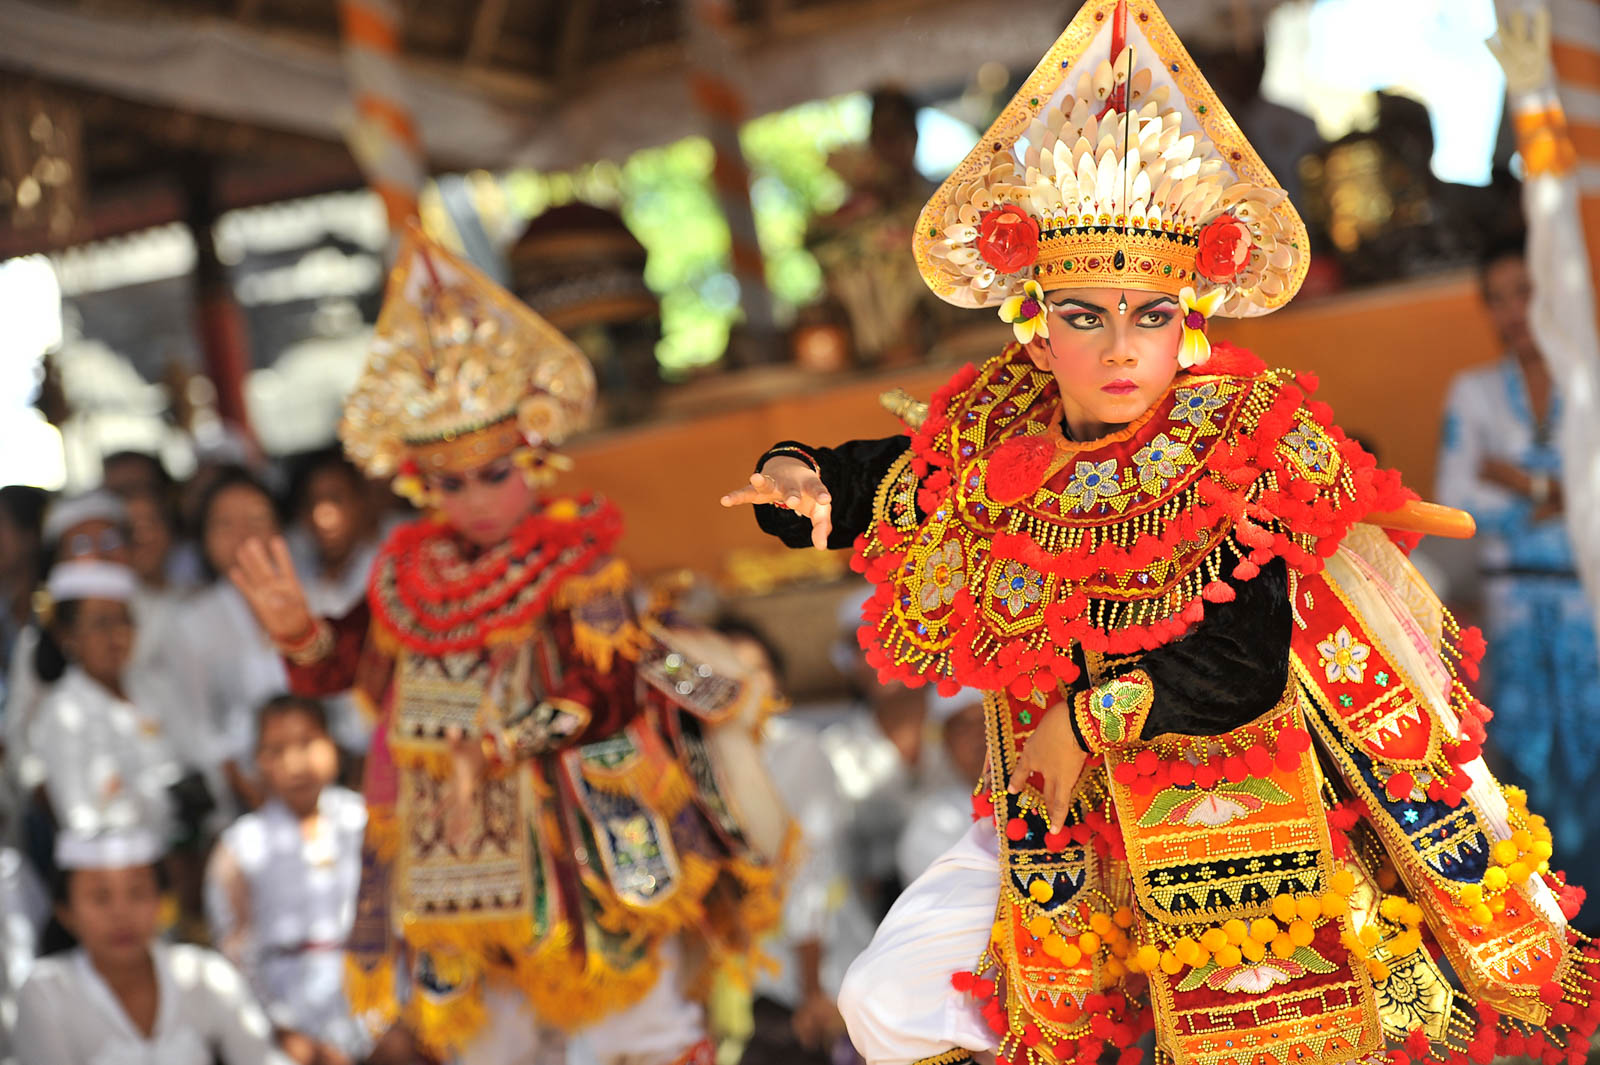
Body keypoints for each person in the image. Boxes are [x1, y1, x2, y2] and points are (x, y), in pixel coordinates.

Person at [722, 4, 1596, 1064]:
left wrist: (1083, 724)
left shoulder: (1238, 440)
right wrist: (801, 481)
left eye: (1150, 314)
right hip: (1065, 807)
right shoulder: (1000, 430)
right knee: (887, 998)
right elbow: (891, 476)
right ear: (1038, 331)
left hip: (1252, 778)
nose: (1120, 347)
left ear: (1189, 320)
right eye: (1086, 316)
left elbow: (1237, 660)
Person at [227, 225, 786, 1064]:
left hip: (583, 834)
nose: (477, 501)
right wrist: (296, 630)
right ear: (422, 484)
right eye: (450, 483)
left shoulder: (576, 566)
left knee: (630, 1031)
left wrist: (497, 746)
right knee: (492, 1044)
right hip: (454, 850)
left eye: (495, 474)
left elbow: (607, 693)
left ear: (536, 460)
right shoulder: (408, 573)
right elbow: (347, 663)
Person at [1436, 232, 1600, 917]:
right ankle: (1557, 922)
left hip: (1586, 597)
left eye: (1524, 293)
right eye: (1497, 299)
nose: (1512, 311)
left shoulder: (1589, 383)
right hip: (1510, 597)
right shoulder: (1472, 392)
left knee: (1595, 745)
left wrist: (1514, 479)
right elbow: (1458, 506)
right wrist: (1558, 492)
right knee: (1523, 757)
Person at [14, 828, 294, 1065]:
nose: (120, 913)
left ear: (162, 903)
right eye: (100, 897)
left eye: (137, 893)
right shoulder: (45, 992)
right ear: (65, 912)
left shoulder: (205, 974)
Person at [205, 695, 373, 1065]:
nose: (295, 763)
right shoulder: (240, 846)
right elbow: (233, 952)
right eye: (276, 750)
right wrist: (281, 1031)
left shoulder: (367, 822)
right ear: (258, 763)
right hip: (285, 1018)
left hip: (376, 1007)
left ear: (334, 745)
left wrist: (395, 1025)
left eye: (308, 743)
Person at [31, 561, 179, 849]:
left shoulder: (153, 689)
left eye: (124, 620)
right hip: (121, 873)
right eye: (101, 623)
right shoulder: (61, 713)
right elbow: (82, 822)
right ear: (67, 636)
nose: (116, 635)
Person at [168, 468, 290, 813]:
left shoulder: (316, 600)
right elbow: (195, 725)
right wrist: (245, 787)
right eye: (225, 524)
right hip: (245, 795)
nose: (244, 535)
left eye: (257, 519)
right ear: (204, 538)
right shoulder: (191, 623)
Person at [285, 448, 384, 766]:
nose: (322, 515)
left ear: (363, 501)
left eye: (336, 499)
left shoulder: (394, 570)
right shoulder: (302, 587)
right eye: (311, 503)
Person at [894, 690, 985, 885]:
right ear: (946, 744)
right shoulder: (931, 822)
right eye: (963, 728)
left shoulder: (1044, 797)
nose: (980, 735)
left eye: (987, 721)